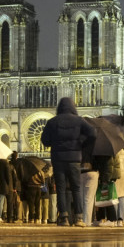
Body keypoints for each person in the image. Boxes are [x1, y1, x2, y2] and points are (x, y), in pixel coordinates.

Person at [41, 97, 95, 227]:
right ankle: (78, 218)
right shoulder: (79, 120)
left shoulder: (52, 122)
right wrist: (82, 145)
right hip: (74, 159)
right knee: (76, 188)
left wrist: (54, 142)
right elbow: (93, 132)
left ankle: (64, 217)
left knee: (60, 189)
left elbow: (45, 140)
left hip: (58, 159)